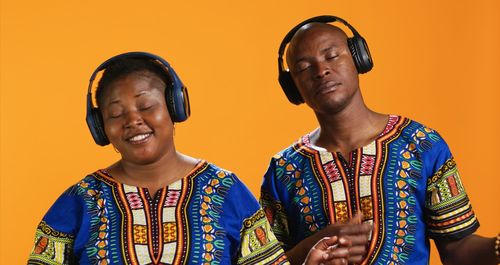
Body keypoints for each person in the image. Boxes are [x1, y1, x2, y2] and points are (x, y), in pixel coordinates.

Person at [27, 52, 359, 265]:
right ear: (101, 127)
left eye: (146, 106)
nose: (132, 121)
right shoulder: (80, 201)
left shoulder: (225, 191)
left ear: (175, 107)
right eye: (116, 114)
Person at [260, 16, 500, 265]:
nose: (321, 71)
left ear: (359, 58)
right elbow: (265, 261)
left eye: (331, 56)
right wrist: (311, 248)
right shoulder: (283, 170)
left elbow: (458, 249)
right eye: (303, 68)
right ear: (292, 87)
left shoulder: (421, 144)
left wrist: (497, 247)